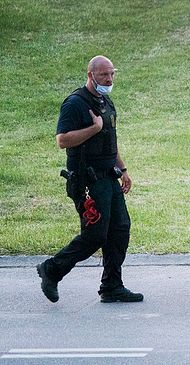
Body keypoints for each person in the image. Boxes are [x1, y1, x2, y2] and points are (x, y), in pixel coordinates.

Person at [36, 55, 142, 304]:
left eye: (112, 74)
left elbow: (110, 141)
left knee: (120, 230)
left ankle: (112, 286)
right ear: (90, 75)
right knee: (95, 235)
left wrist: (123, 169)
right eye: (104, 74)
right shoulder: (75, 103)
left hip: (109, 177)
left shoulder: (105, 101)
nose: (109, 79)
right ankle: (52, 269)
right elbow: (62, 140)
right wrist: (92, 129)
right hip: (87, 182)